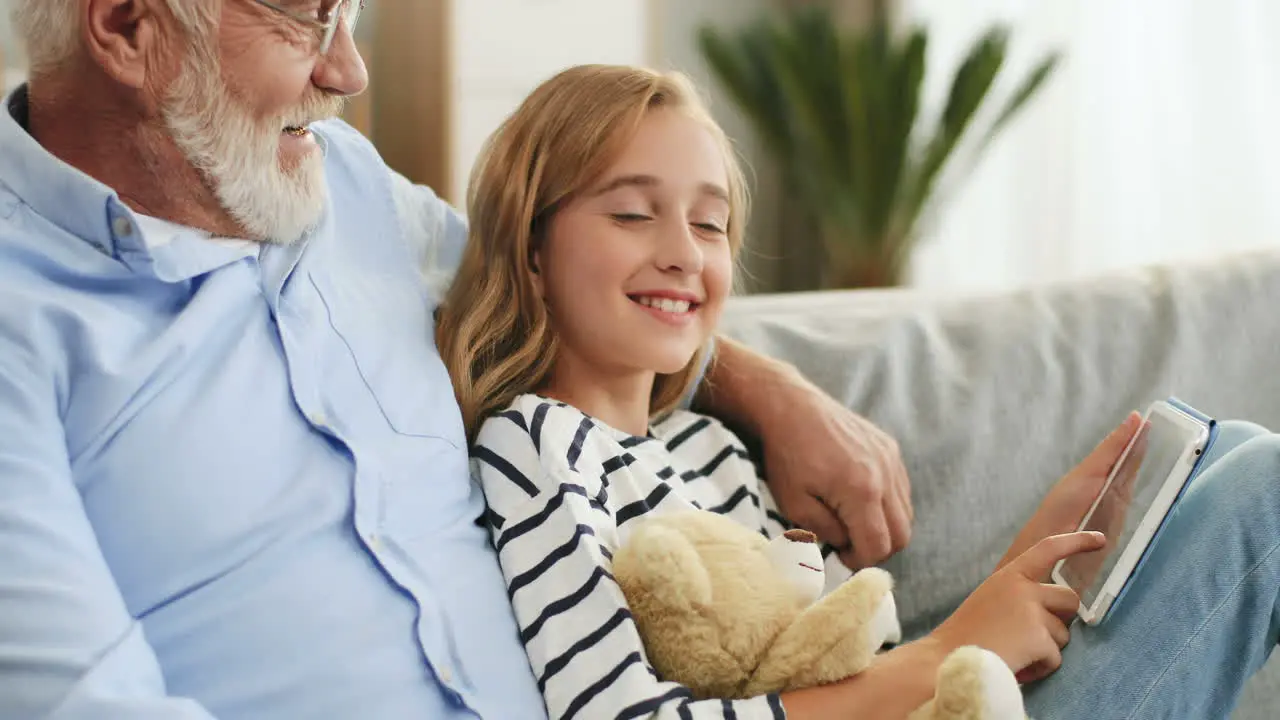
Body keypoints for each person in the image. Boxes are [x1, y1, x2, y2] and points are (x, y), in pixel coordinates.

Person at [0, 1, 914, 719]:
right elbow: (80, 702)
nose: (348, 69)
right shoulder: (22, 319)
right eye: (303, 16)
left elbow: (565, 287)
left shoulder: (339, 179)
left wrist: (776, 396)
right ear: (125, 24)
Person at [438, 63, 1280, 720]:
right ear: (532, 248)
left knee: (1233, 457)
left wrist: (1029, 555)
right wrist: (951, 643)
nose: (684, 254)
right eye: (631, 214)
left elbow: (855, 659)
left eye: (709, 222)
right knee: (1263, 490)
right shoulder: (533, 445)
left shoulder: (713, 447)